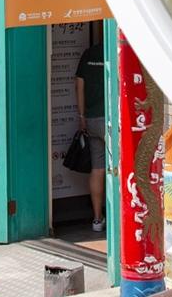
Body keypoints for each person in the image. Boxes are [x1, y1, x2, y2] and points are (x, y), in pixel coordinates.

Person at [73, 37, 107, 232]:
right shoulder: (116, 49)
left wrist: (82, 116)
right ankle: (120, 217)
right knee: (118, 169)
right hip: (112, 120)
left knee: (98, 168)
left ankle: (96, 219)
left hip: (92, 120)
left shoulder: (89, 54)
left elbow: (79, 84)